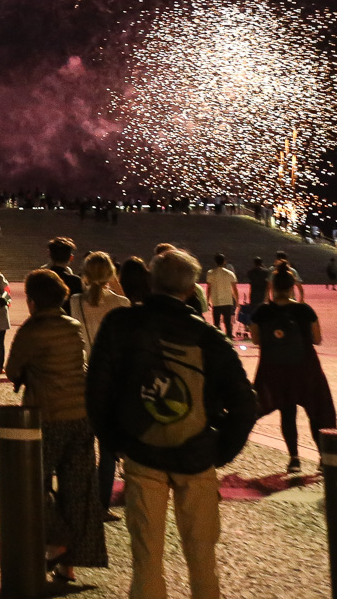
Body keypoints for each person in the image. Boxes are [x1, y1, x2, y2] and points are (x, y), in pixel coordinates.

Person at [87, 249, 256, 599]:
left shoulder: (121, 324)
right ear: (192, 288)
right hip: (196, 453)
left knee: (146, 558)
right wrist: (218, 450)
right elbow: (244, 402)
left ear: (152, 280)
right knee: (202, 557)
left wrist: (115, 440)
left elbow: (97, 390)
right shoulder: (209, 337)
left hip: (142, 450)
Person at [4, 269, 106, 582]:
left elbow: (12, 370)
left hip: (47, 417)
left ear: (32, 301)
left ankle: (59, 540)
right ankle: (69, 565)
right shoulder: (73, 325)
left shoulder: (31, 330)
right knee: (78, 488)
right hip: (80, 417)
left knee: (33, 483)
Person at [249, 269, 336, 474]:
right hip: (305, 368)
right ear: (291, 287)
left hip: (275, 369)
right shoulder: (304, 310)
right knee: (315, 412)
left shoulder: (261, 312)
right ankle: (323, 457)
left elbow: (255, 340)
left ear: (273, 287)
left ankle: (294, 459)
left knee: (287, 412)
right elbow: (317, 339)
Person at [69, 251, 129, 517]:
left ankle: (78, 500)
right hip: (113, 382)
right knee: (108, 450)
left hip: (84, 377)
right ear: (111, 275)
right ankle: (102, 504)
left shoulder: (74, 302)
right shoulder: (122, 304)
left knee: (82, 446)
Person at [205, 254, 238, 339]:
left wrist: (207, 300)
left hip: (216, 301)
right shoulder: (230, 273)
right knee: (228, 323)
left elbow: (209, 288)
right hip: (227, 301)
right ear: (224, 261)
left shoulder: (210, 273)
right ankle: (229, 340)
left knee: (216, 323)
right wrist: (237, 301)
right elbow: (234, 289)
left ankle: (217, 339)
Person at [241, 256, 270, 328]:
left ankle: (254, 326)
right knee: (264, 311)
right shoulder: (266, 271)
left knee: (254, 311)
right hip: (263, 293)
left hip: (254, 294)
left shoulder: (250, 272)